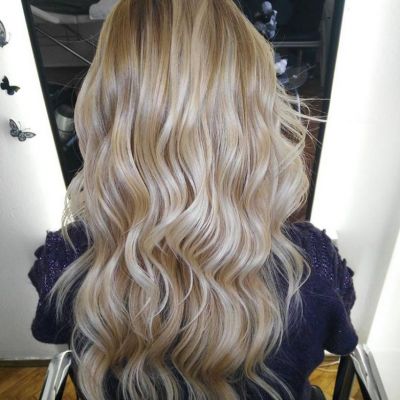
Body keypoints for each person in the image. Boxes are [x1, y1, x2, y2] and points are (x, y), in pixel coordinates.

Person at [28, 0, 358, 399]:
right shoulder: (311, 267)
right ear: (254, 113)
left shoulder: (66, 264)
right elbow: (341, 339)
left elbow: (49, 329)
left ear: (105, 110)